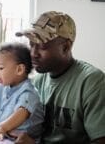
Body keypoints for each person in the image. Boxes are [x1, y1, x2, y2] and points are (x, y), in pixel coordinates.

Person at [13, 11, 105, 144]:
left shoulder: (93, 83)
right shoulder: (37, 82)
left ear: (66, 47)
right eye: (31, 44)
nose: (33, 53)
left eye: (42, 46)